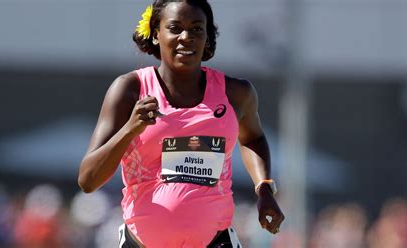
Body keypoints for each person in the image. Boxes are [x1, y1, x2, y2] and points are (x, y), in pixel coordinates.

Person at [78, 0, 284, 247]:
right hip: (141, 241)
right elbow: (88, 180)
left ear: (207, 38)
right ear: (156, 34)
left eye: (197, 29)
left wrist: (264, 189)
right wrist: (130, 128)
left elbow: (253, 138)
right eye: (175, 28)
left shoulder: (236, 93)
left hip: (216, 241)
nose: (186, 37)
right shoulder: (130, 89)